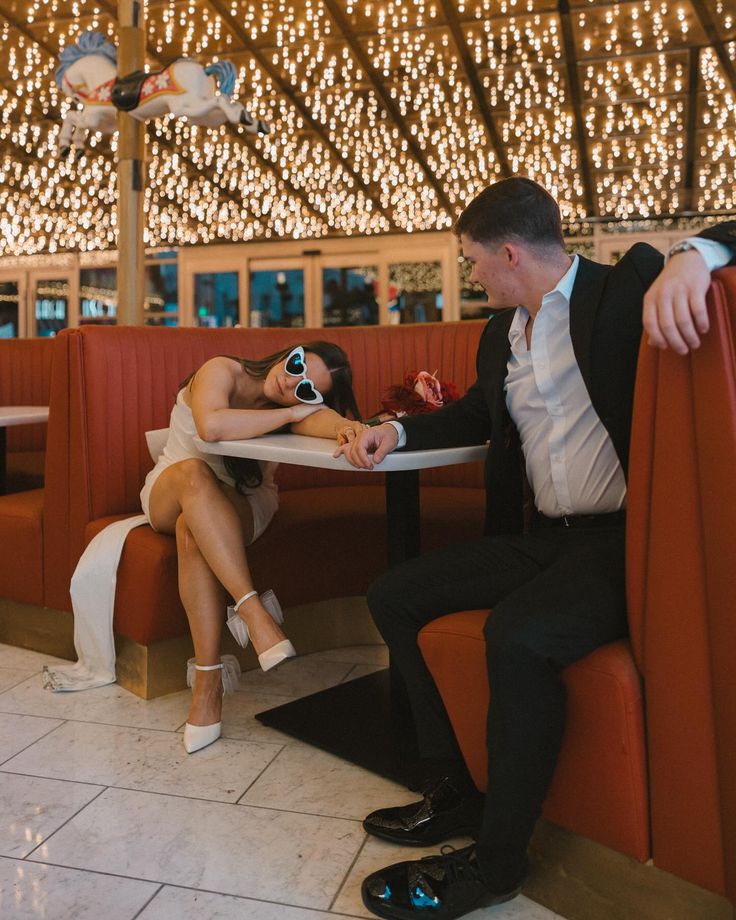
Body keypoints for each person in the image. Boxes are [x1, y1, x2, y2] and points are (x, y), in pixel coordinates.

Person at [335, 177, 736, 920]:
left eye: (474, 261)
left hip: (624, 542)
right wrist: (399, 432)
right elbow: (480, 414)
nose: (472, 274)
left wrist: (696, 257)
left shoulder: (626, 289)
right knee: (394, 593)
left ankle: (496, 864)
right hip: (542, 538)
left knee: (516, 637)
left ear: (510, 253)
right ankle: (454, 790)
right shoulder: (500, 334)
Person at [142, 341, 362, 754]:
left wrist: (345, 426)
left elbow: (327, 422)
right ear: (288, 351)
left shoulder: (296, 408)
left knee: (196, 527)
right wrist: (293, 412)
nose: (293, 382)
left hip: (243, 504)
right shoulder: (222, 370)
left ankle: (207, 685)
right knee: (194, 475)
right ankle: (252, 610)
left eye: (307, 391)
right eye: (297, 365)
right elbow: (211, 427)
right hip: (171, 488)